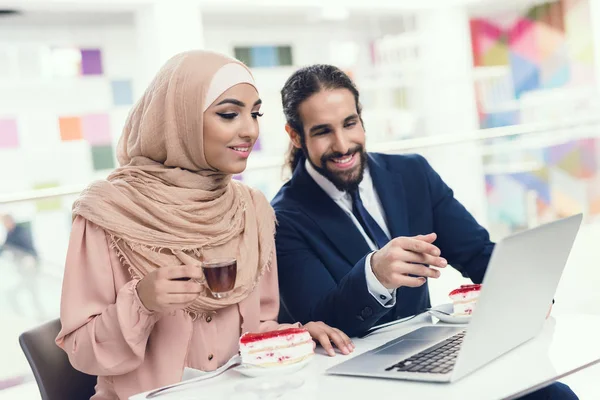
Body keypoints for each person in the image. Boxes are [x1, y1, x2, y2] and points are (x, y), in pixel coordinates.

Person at [55, 52, 353, 400]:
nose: (250, 130)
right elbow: (82, 351)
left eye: (255, 114)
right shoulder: (108, 212)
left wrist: (298, 334)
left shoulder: (250, 210)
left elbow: (256, 329)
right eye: (229, 114)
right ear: (178, 120)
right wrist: (141, 301)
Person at [272, 64, 575, 400]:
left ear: (361, 117)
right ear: (296, 136)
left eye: (350, 123)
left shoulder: (412, 173)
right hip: (359, 381)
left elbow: (475, 252)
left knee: (554, 395)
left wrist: (524, 290)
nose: (343, 144)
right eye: (322, 131)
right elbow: (322, 320)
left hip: (431, 354)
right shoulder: (284, 217)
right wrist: (374, 275)